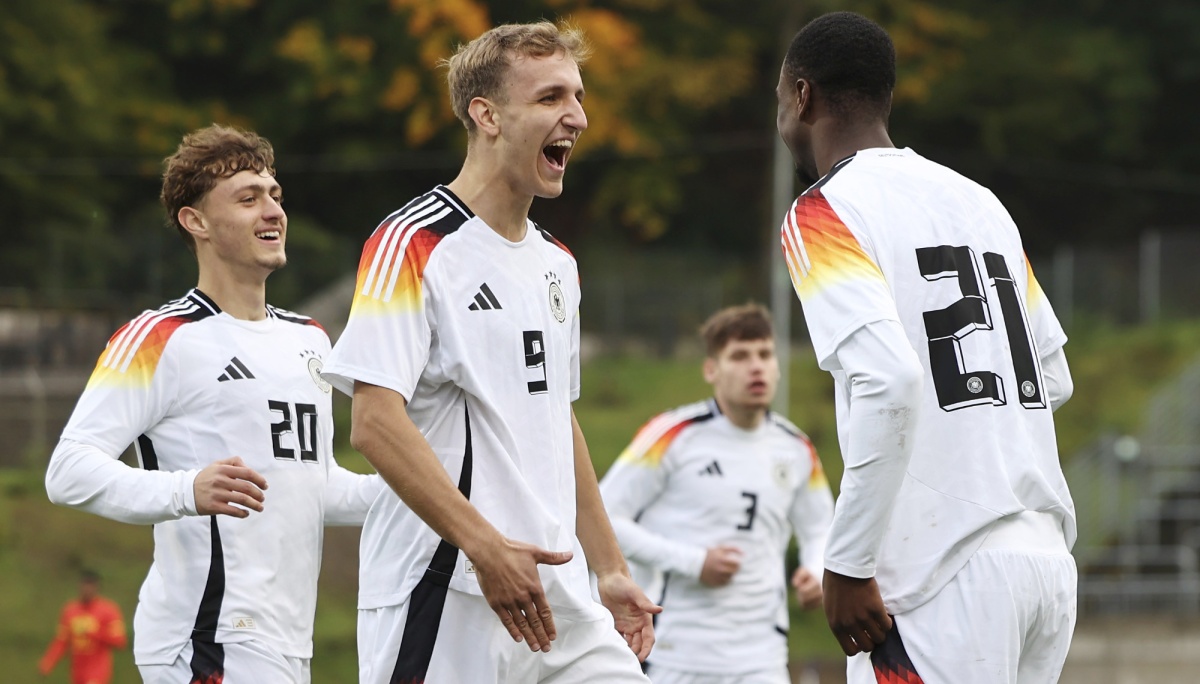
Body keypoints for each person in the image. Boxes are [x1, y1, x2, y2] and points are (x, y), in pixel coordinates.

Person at [321, 20, 659, 684]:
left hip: (555, 597)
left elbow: (558, 422)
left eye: (579, 96)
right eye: (550, 98)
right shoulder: (413, 243)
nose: (578, 118)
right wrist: (484, 548)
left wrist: (611, 568)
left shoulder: (557, 263)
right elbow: (373, 422)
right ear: (487, 115)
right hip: (443, 590)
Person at [775, 11, 1078, 684]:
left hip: (940, 577)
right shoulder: (978, 202)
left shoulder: (821, 211)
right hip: (1044, 560)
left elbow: (889, 381)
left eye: (779, 101)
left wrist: (848, 562)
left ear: (802, 96)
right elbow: (1051, 375)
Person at [44, 124, 382, 683]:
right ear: (195, 221)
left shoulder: (311, 340)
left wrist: (422, 489)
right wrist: (185, 490)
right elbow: (68, 471)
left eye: (274, 195)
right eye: (247, 198)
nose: (271, 210)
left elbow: (315, 487)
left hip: (286, 640)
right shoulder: (161, 336)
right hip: (207, 636)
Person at [599, 303, 835, 684]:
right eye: (740, 356)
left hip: (764, 658)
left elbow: (819, 527)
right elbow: (603, 520)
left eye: (765, 354)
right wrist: (694, 562)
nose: (756, 366)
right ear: (712, 370)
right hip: (676, 654)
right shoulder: (671, 435)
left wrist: (816, 569)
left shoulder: (796, 447)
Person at [39, 570, 127, 684]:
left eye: (90, 585)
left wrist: (94, 633)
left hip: (98, 670)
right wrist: (48, 663)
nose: (87, 589)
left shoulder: (108, 610)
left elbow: (120, 641)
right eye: (84, 585)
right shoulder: (70, 610)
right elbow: (61, 641)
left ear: (97, 587)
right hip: (77, 671)